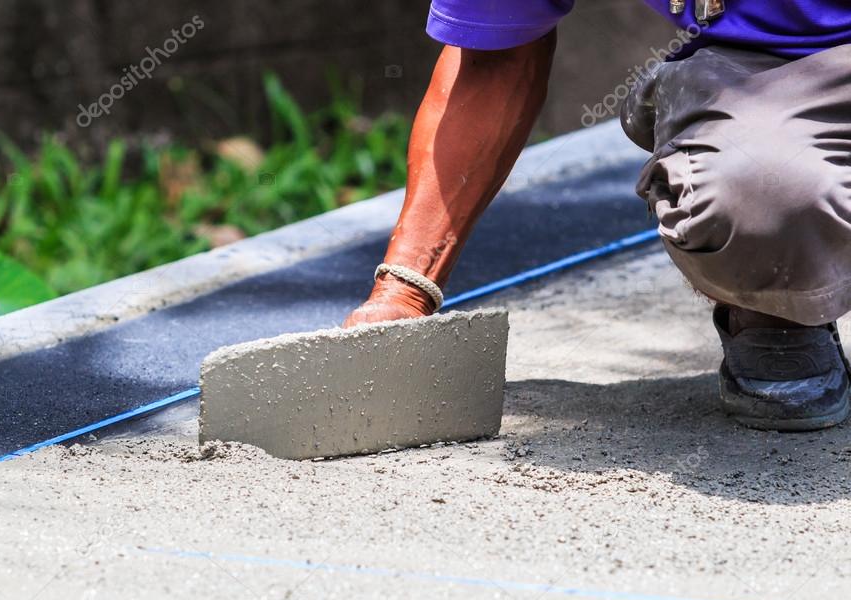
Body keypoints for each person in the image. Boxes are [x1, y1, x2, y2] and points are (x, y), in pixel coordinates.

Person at [344, 1, 851, 432]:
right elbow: (494, 56)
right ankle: (780, 309)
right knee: (755, 194)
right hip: (781, 77)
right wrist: (405, 289)